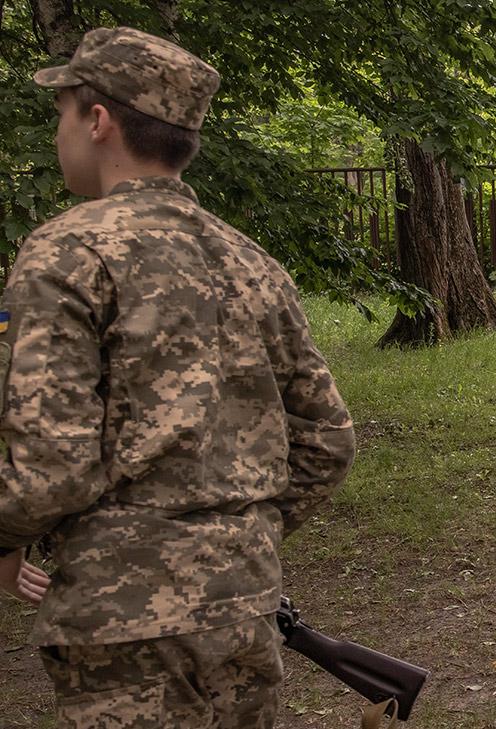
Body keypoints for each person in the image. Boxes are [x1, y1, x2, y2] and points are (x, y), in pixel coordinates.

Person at [0, 26, 356, 726]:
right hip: (243, 610)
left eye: (61, 112)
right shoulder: (249, 261)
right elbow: (328, 440)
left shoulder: (66, 253)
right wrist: (235, 535)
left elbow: (49, 471)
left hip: (121, 630)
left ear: (97, 120)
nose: (59, 133)